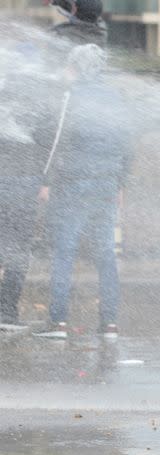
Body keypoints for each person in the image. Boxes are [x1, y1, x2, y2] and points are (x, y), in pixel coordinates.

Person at [36, 44, 133, 339]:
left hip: (74, 183)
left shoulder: (69, 96)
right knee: (105, 254)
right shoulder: (117, 98)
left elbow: (54, 140)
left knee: (65, 251)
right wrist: (119, 184)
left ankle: (59, 322)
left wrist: (44, 179)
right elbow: (127, 144)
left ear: (77, 67)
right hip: (105, 184)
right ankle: (110, 323)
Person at [0, 49, 60, 333]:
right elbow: (50, 144)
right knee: (19, 248)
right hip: (25, 184)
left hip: (8, 182)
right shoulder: (39, 104)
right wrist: (45, 181)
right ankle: (7, 310)